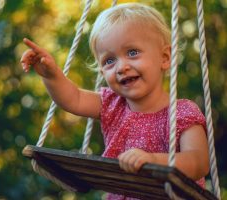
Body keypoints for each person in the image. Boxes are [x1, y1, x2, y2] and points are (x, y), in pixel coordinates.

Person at [21, 3, 209, 200]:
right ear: (102, 71)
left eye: (133, 52)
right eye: (109, 61)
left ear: (165, 57)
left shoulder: (182, 113)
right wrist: (51, 76)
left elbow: (198, 161)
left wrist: (154, 161)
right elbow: (73, 99)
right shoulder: (112, 105)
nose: (121, 67)